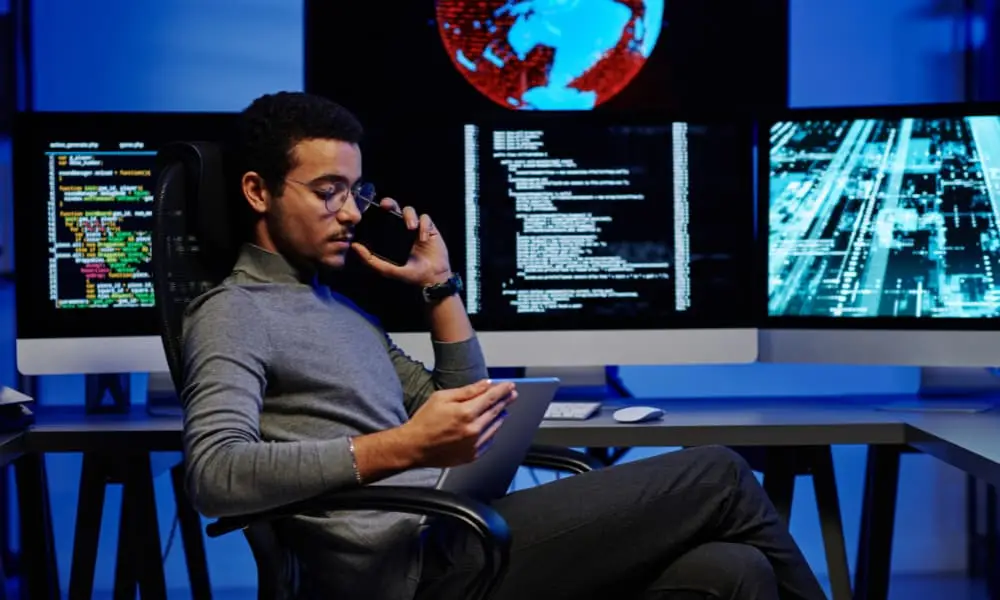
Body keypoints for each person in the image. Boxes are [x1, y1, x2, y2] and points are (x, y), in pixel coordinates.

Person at [181, 91, 827, 600]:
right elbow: (215, 473)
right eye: (328, 192)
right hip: (409, 570)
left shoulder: (342, 312)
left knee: (734, 570)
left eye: (356, 192)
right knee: (719, 472)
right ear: (258, 191)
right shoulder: (233, 312)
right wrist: (404, 446)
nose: (351, 212)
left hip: (452, 531)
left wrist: (440, 288)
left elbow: (468, 408)